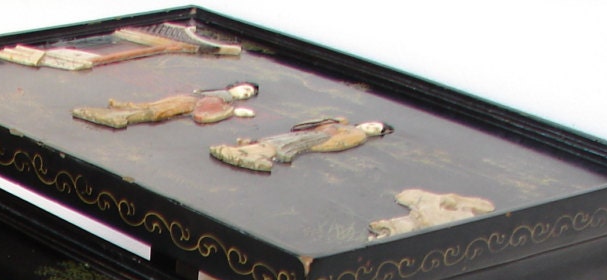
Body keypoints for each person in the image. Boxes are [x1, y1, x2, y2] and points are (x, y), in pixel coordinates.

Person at [210, 117, 390, 171]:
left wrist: (327, 132)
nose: (370, 127)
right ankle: (244, 151)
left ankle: (249, 154)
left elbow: (337, 142)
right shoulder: (342, 125)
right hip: (309, 135)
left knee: (279, 145)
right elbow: (304, 125)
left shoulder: (357, 134)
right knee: (277, 141)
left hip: (314, 139)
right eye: (372, 123)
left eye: (376, 128)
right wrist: (334, 121)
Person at [73, 82, 258, 129]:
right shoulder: (222, 95)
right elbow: (206, 107)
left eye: (248, 94)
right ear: (236, 85)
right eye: (245, 89)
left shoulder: (225, 100)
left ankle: (121, 112)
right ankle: (122, 111)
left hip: (189, 102)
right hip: (188, 100)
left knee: (156, 109)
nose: (245, 93)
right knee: (155, 108)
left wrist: (234, 111)